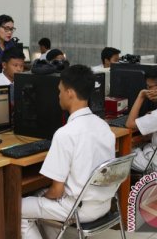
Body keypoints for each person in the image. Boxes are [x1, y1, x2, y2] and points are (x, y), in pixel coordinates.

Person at [21, 65, 116, 239]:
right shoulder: (104, 126)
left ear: (70, 93)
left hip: (78, 209)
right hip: (103, 204)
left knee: (18, 208)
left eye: (60, 91)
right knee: (38, 196)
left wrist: (48, 199)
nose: (58, 95)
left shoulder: (66, 134)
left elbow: (56, 191)